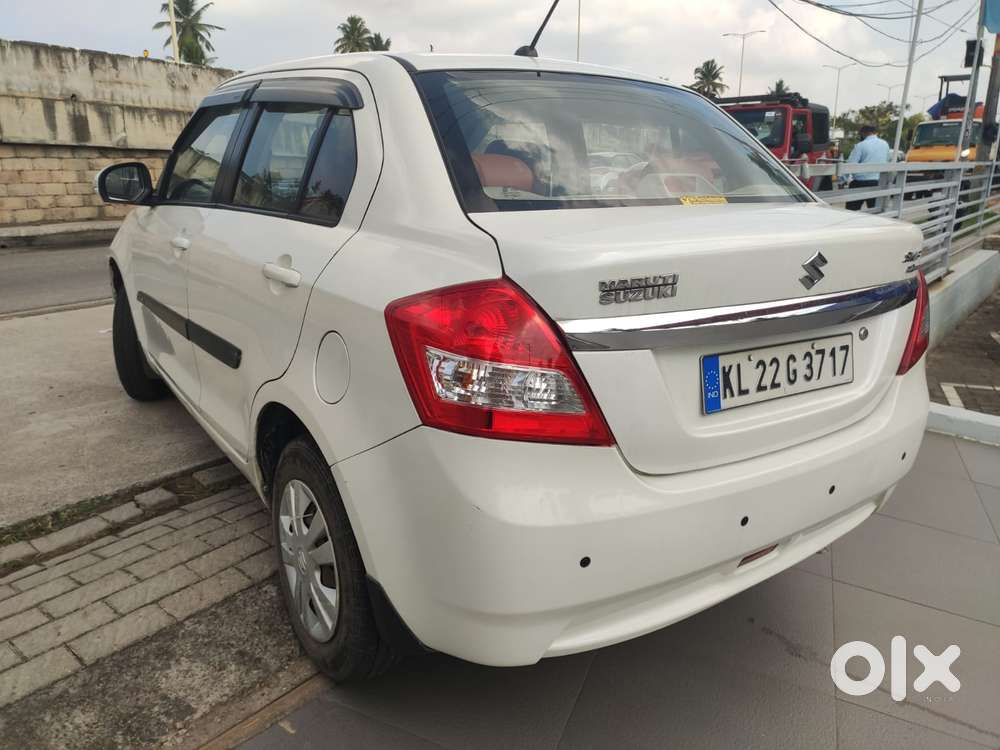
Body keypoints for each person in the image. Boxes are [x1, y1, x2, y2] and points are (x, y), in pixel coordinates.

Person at [840, 125, 891, 210]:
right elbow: (887, 160)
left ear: (864, 133)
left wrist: (843, 180)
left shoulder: (860, 145)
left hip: (861, 182)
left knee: (851, 212)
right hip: (878, 182)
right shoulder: (885, 144)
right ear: (875, 133)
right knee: (876, 211)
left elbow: (851, 164)